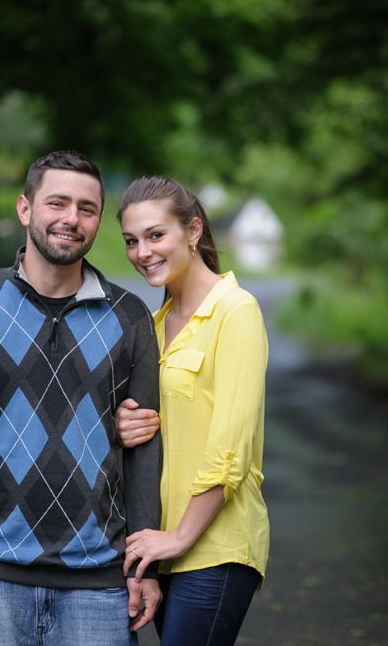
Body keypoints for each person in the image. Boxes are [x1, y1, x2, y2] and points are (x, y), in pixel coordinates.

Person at [0, 150, 163, 646]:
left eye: (87, 208)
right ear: (25, 208)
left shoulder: (130, 317)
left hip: (100, 587)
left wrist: (144, 567)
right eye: (57, 203)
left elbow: (143, 452)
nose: (71, 219)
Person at [115, 176, 270, 645]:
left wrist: (180, 536)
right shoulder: (153, 325)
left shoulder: (235, 310)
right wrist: (121, 422)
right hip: (162, 546)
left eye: (155, 235)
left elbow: (231, 448)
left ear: (194, 231)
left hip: (214, 547)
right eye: (130, 241)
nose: (143, 252)